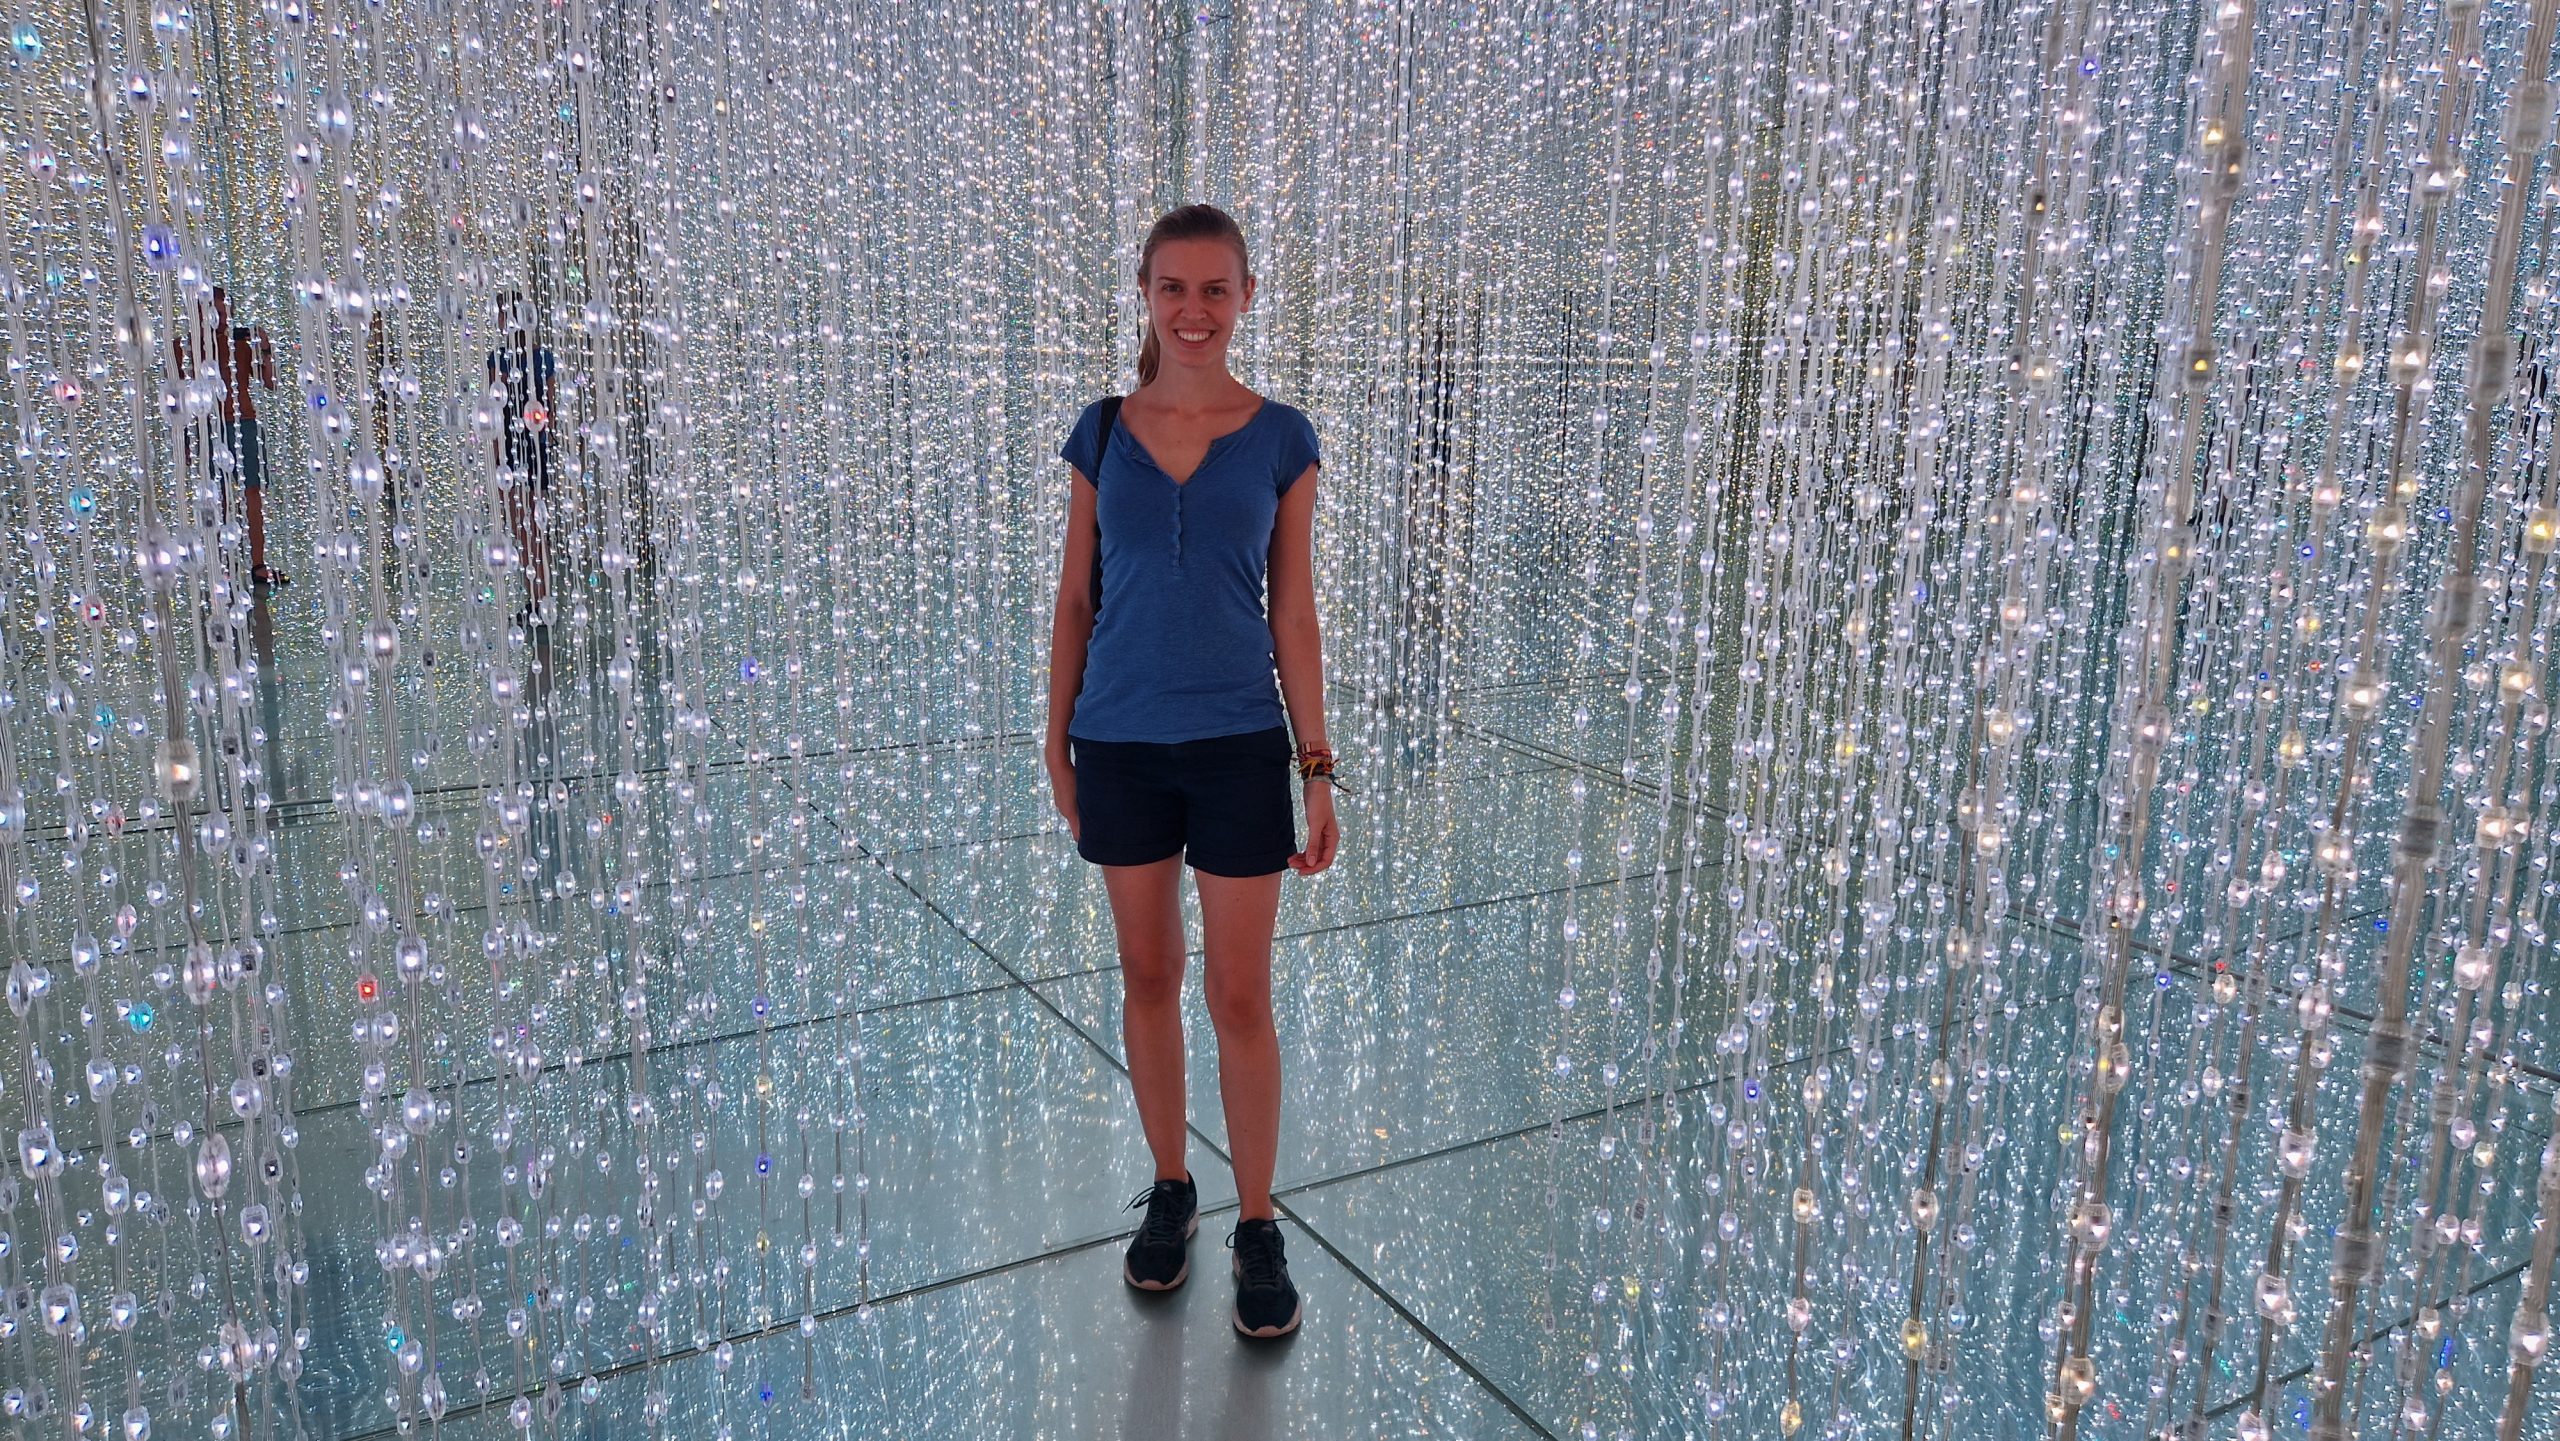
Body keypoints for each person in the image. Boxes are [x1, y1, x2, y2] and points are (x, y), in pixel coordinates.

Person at [1045, 203, 1341, 1341]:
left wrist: (1316, 768)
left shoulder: (1281, 438)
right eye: (1173, 287)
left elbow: (1294, 614)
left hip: (1235, 748)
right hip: (1120, 744)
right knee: (1148, 974)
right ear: (1144, 293)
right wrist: (1056, 739)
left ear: (1247, 297)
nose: (1194, 309)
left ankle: (1257, 1221)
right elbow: (1077, 599)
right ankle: (1172, 1185)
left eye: (1216, 288)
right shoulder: (1101, 430)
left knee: (1240, 995)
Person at [179, 287, 286, 586]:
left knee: (252, 494)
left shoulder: (240, 344)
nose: (222, 317)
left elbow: (270, 382)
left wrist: (265, 348)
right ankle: (221, 564)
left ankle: (257, 564)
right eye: (216, 310)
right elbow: (179, 395)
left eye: (225, 311)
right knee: (218, 498)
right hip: (208, 427)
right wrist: (186, 440)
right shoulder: (187, 347)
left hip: (245, 423)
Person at [488, 289, 557, 617]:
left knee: (525, 528)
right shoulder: (541, 359)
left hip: (517, 449)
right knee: (531, 529)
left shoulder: (503, 360)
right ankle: (539, 599)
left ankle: (538, 601)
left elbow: (495, 410)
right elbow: (549, 409)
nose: (499, 320)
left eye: (502, 313)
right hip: (532, 449)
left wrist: (497, 455)